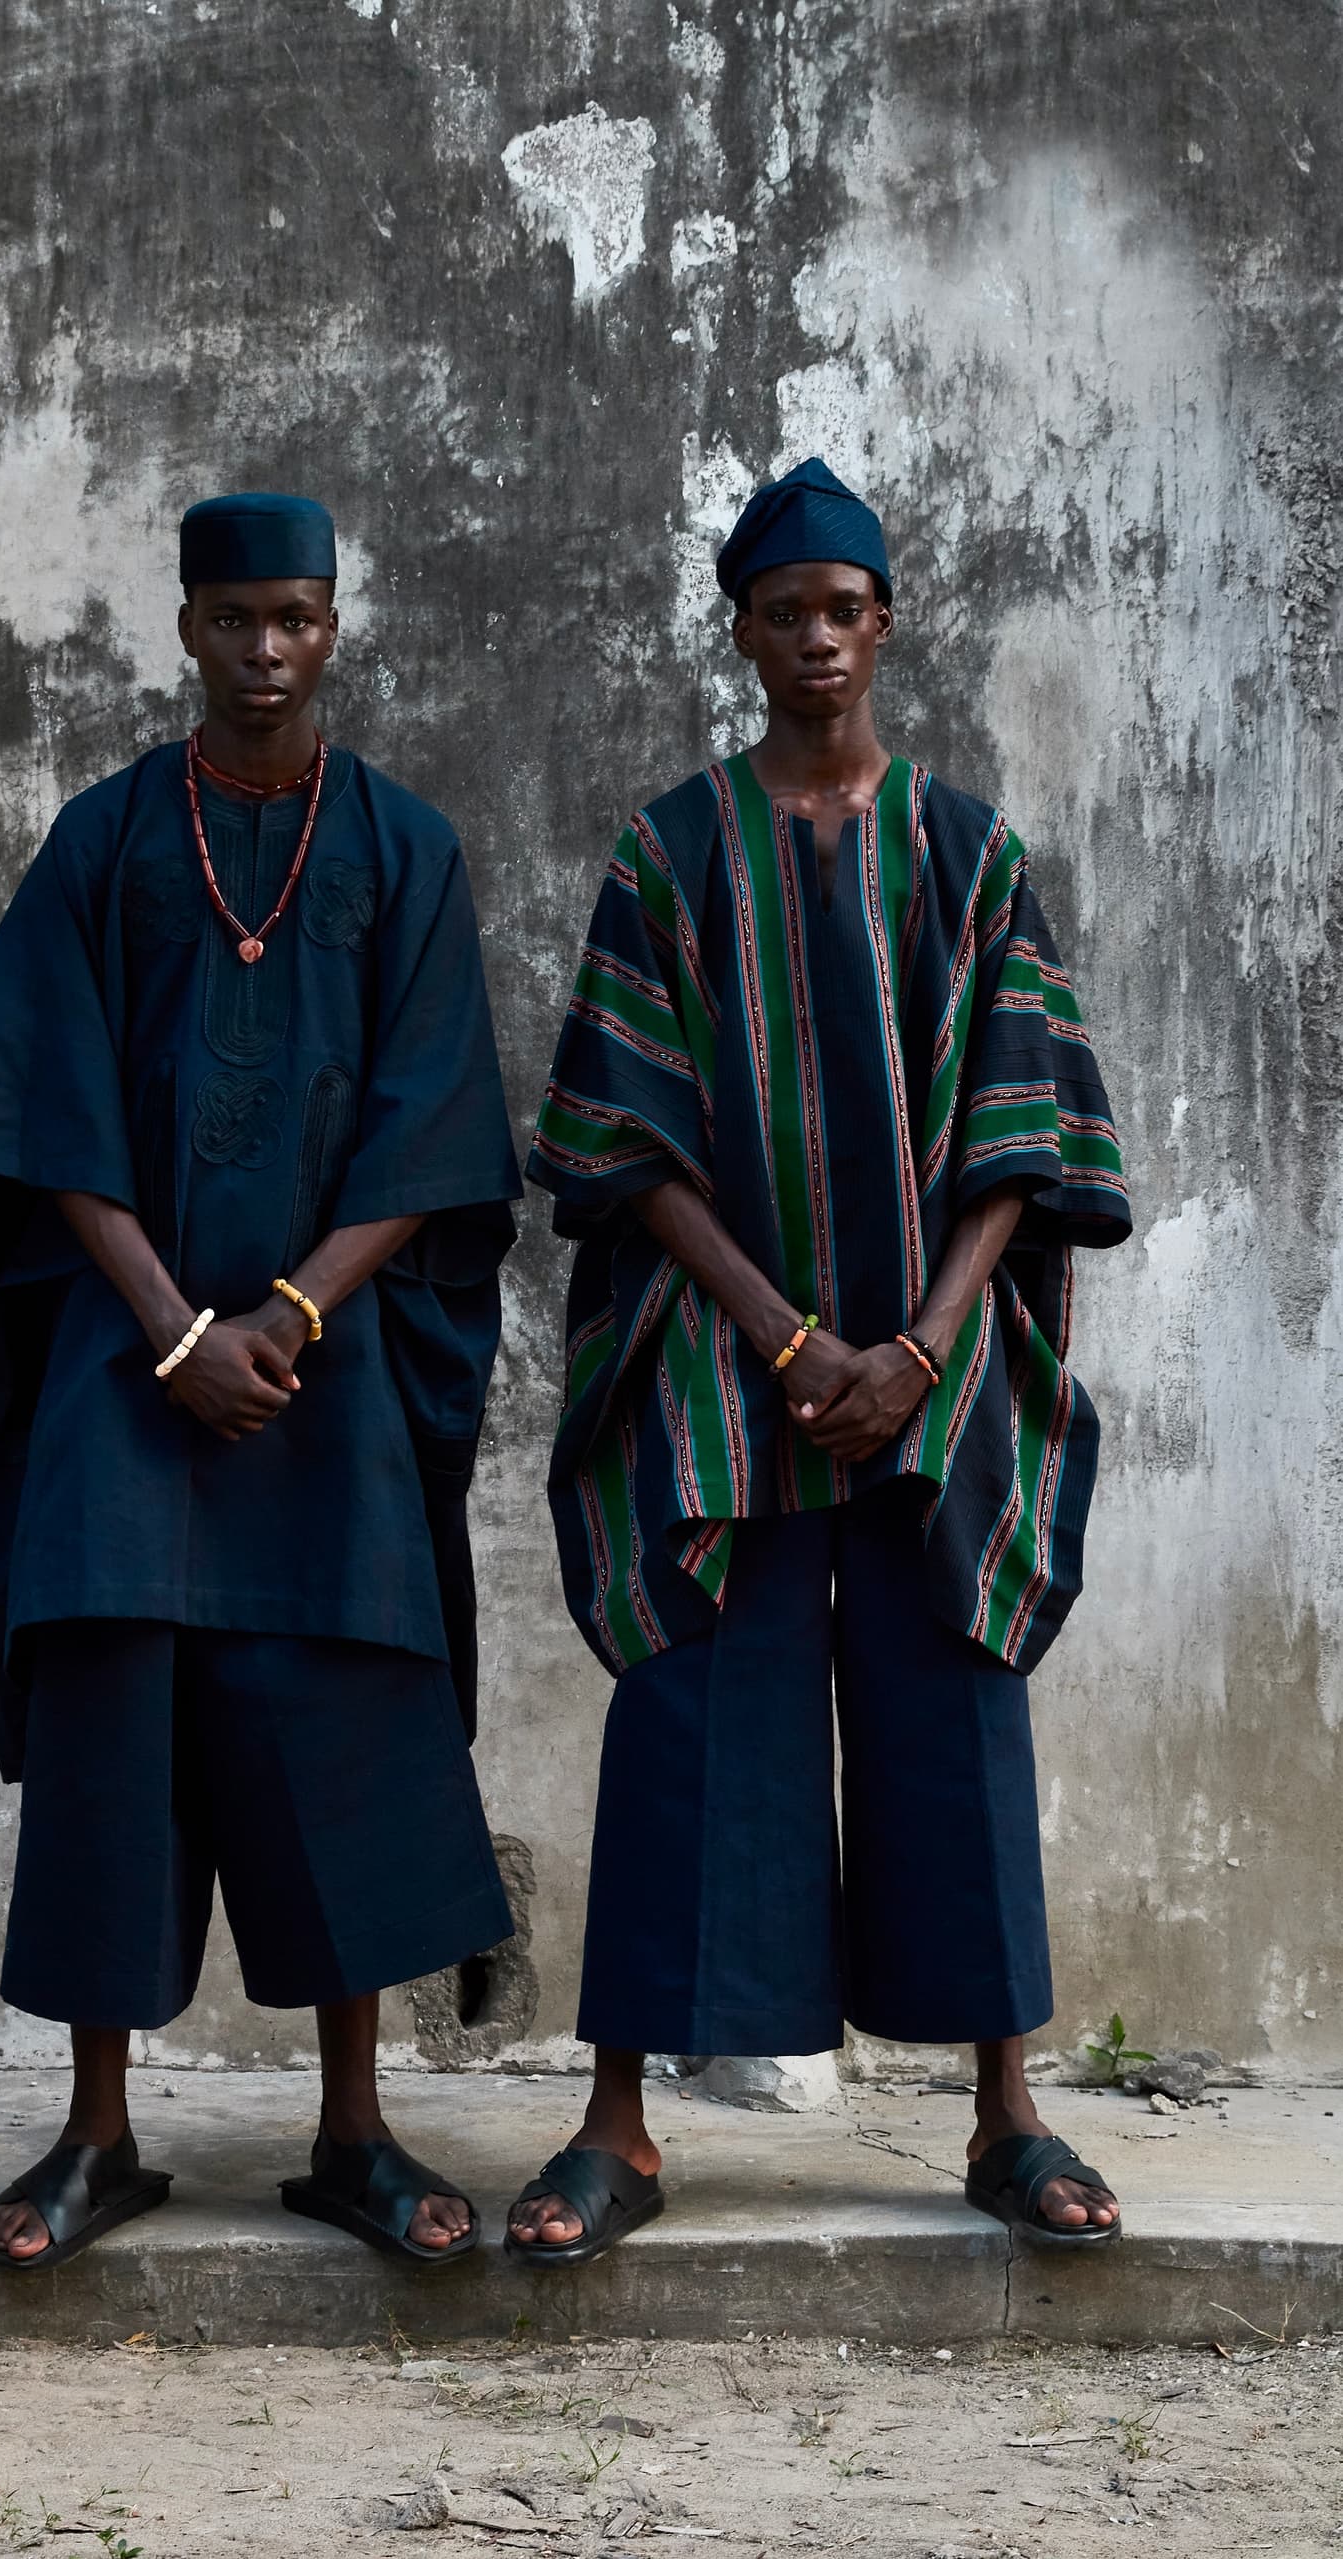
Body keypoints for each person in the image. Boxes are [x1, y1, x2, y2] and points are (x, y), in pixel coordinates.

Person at [510, 458, 1132, 2266]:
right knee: (696, 1724)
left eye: (842, 608)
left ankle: (1004, 2110)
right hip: (725, 1380)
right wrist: (789, 1339)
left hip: (931, 1387)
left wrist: (923, 1349)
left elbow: (1031, 1141)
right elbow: (619, 1146)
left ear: (884, 622)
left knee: (955, 1716)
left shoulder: (967, 850)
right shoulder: (669, 848)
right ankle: (619, 2125)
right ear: (742, 633)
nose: (815, 639)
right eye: (782, 611)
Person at [0, 491, 521, 2271]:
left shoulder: (404, 849)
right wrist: (174, 1328)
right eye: (236, 618)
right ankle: (97, 2134)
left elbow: (433, 1130)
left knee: (344, 1729)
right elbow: (40, 1110)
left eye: (299, 619)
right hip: (121, 1367)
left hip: (325, 1382)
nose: (267, 651)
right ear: (185, 626)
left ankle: (354, 2132)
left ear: (336, 628)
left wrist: (291, 1322)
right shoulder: (102, 845)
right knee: (114, 1733)